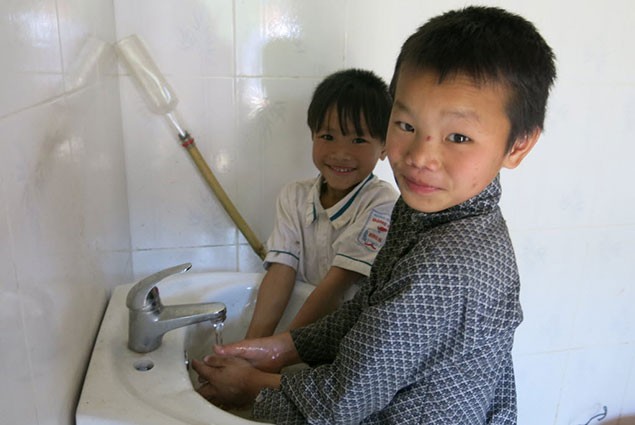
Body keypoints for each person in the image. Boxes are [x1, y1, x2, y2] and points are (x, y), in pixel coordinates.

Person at [192, 5, 557, 424]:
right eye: (405, 125)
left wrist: (250, 387)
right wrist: (285, 348)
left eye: (458, 136)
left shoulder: (445, 264)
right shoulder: (433, 213)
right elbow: (369, 307)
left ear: (518, 145)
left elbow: (340, 403)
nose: (421, 156)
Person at [244, 69, 398, 338]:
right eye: (327, 137)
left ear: (384, 147)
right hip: (303, 333)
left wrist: (277, 352)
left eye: (358, 140)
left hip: (352, 340)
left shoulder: (381, 202)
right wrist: (251, 346)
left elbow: (337, 286)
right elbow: (282, 271)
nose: (340, 153)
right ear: (312, 135)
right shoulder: (294, 196)